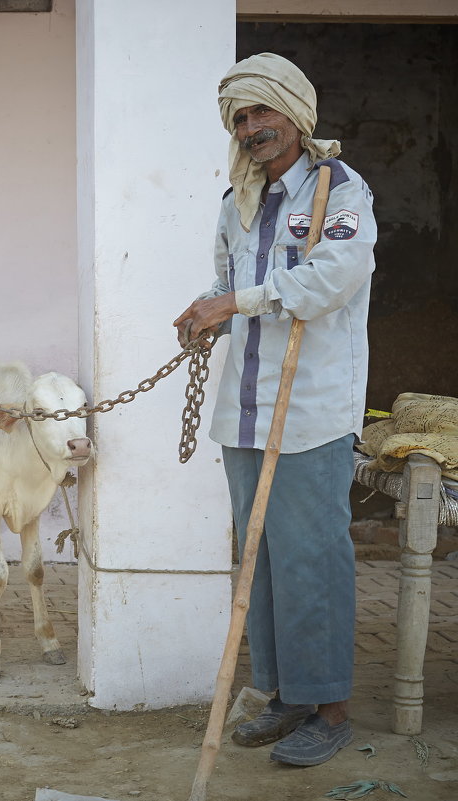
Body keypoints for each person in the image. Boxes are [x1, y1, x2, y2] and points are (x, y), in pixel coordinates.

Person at [173, 53, 377, 767]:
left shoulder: (340, 190)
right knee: (257, 559)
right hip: (247, 411)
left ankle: (331, 708)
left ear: (295, 112)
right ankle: (286, 696)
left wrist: (240, 301)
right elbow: (231, 285)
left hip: (314, 412)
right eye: (241, 117)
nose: (253, 127)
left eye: (263, 112)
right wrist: (209, 312)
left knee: (312, 559)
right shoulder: (238, 202)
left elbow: (330, 280)